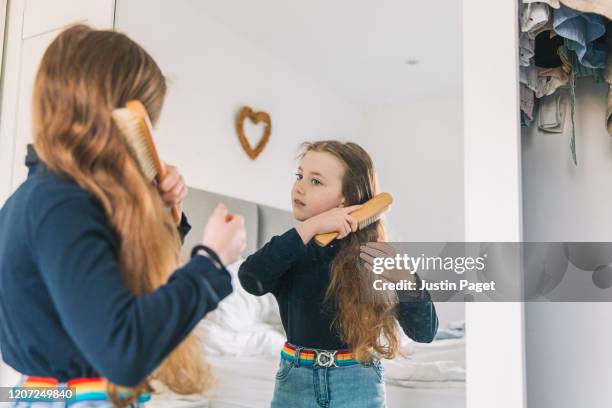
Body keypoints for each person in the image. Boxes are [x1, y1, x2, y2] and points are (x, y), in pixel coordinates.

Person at [0, 24, 246, 407]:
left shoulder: (41, 198)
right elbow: (123, 353)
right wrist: (211, 261)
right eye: (150, 121)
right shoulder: (61, 205)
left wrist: (165, 216)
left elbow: (120, 286)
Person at [238, 140, 438, 408]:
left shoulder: (373, 257)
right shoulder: (291, 249)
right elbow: (250, 278)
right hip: (295, 383)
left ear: (346, 197)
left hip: (358, 383)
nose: (299, 187)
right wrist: (311, 227)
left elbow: (424, 332)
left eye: (316, 182)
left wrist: (406, 279)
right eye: (299, 176)